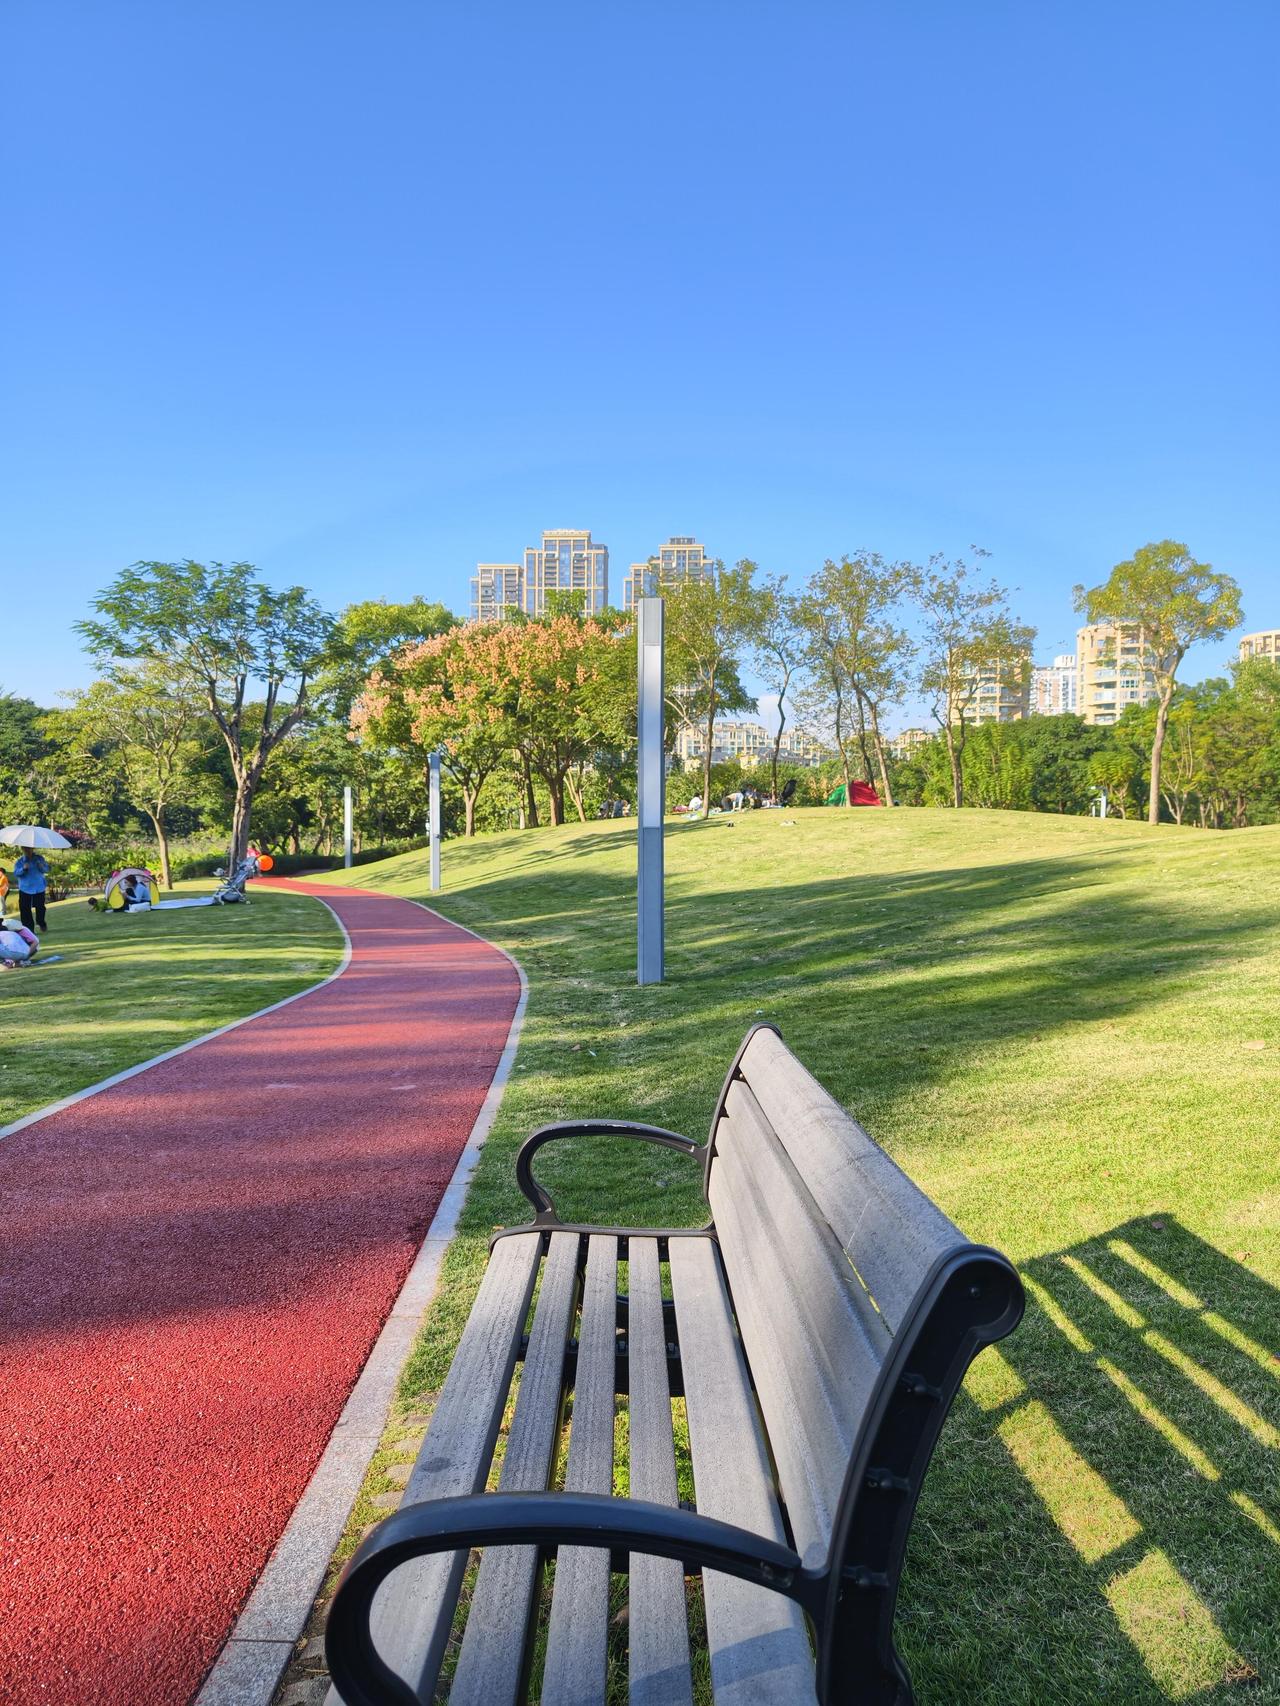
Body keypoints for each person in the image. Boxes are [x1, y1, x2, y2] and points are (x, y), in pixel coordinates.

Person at [15, 850, 49, 933]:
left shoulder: (39, 859)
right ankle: (29, 930)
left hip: (39, 887)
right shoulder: (20, 861)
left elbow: (46, 869)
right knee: (25, 909)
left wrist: (41, 866)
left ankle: (41, 922)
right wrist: (23, 869)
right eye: (25, 848)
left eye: (29, 848)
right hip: (25, 888)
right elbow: (16, 873)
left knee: (40, 907)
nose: (28, 851)